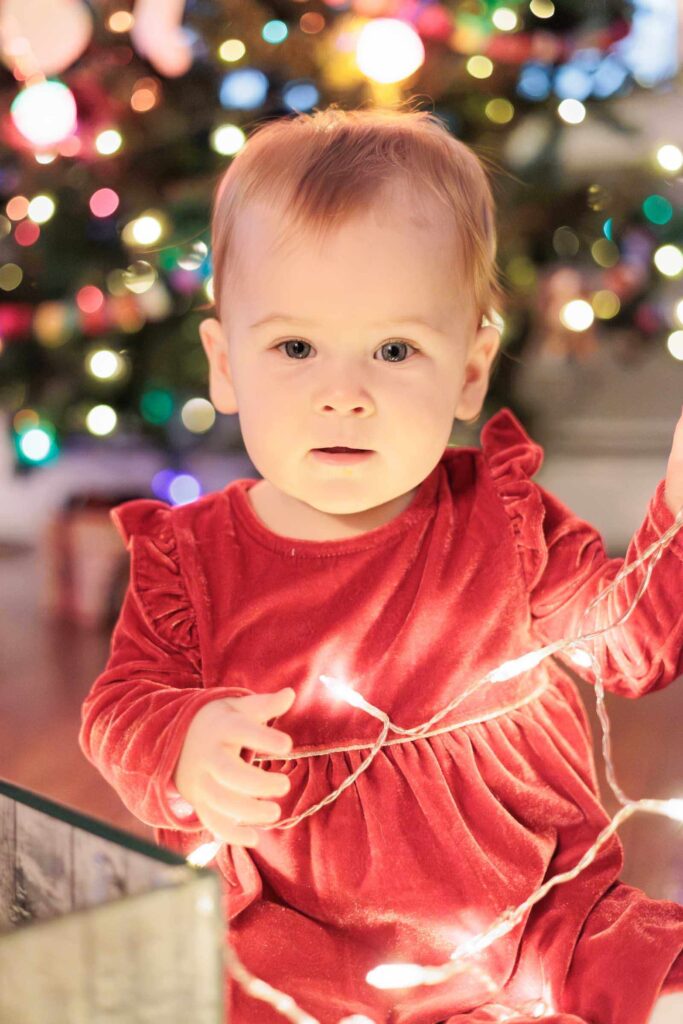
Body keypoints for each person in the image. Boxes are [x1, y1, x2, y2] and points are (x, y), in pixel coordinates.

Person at [78, 104, 683, 1024]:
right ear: (225, 364)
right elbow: (119, 709)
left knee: (640, 963)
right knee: (199, 987)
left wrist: (677, 506)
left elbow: (635, 647)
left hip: (526, 915)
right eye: (293, 348)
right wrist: (183, 744)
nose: (343, 396)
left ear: (470, 371)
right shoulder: (188, 559)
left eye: (395, 349)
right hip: (294, 935)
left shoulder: (502, 518)